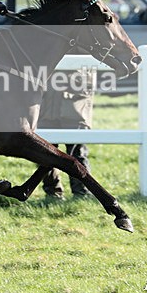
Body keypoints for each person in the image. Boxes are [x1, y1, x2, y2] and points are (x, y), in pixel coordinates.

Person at [38, 67, 95, 199]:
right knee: (45, 153)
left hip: (74, 102)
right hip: (46, 104)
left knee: (77, 152)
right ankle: (53, 193)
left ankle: (82, 192)